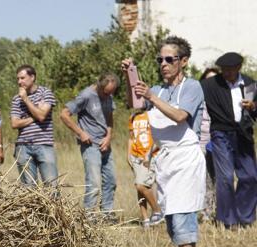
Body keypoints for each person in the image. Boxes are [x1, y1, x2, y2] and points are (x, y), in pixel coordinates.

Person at [122, 36, 205, 247]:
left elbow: (180, 116)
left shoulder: (192, 87)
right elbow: (133, 102)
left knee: (183, 215)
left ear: (183, 61)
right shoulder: (157, 89)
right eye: (161, 59)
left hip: (186, 158)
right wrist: (130, 78)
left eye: (170, 59)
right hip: (166, 160)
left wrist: (151, 96)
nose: (164, 64)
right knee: (170, 218)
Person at [201, 52, 257, 228]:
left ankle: (245, 217)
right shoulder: (210, 85)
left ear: (238, 68)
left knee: (250, 177)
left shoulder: (250, 84)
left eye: (230, 70)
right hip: (221, 134)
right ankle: (227, 220)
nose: (226, 73)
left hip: (244, 135)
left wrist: (253, 106)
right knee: (225, 178)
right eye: (223, 69)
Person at [60, 73, 119, 219]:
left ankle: (107, 214)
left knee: (111, 180)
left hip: (105, 144)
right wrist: (81, 133)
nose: (108, 96)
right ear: (99, 86)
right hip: (90, 144)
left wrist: (109, 136)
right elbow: (64, 114)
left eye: (111, 93)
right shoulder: (86, 95)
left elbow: (109, 117)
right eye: (106, 93)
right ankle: (89, 216)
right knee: (94, 182)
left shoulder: (109, 96)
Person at [10, 65, 57, 186]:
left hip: (44, 145)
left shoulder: (45, 93)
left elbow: (42, 116)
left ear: (32, 77)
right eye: (18, 79)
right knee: (28, 189)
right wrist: (35, 116)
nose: (19, 82)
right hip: (23, 147)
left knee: (51, 185)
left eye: (22, 78)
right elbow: (14, 123)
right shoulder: (16, 99)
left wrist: (26, 99)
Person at [127, 110, 162, 226]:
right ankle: (145, 219)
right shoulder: (133, 116)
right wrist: (128, 154)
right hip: (135, 156)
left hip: (150, 156)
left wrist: (149, 154)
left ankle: (157, 211)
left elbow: (159, 137)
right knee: (139, 186)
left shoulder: (152, 115)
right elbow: (131, 137)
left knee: (141, 185)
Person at [198, 68, 220, 222]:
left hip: (219, 139)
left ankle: (221, 212)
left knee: (221, 178)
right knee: (205, 179)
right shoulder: (198, 98)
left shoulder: (222, 97)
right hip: (201, 140)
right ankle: (206, 213)